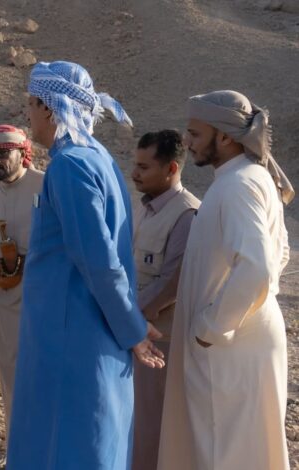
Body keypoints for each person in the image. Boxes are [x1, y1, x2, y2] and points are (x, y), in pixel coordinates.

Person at [7, 61, 164, 469]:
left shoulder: (71, 165)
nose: (27, 113)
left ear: (48, 108)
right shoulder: (97, 158)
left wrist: (132, 330)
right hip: (84, 330)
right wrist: (129, 322)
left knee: (68, 446)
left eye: (31, 104)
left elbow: (99, 261)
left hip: (72, 338)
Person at [158, 90, 292, 470]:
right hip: (242, 336)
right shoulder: (244, 178)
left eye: (195, 134)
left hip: (231, 345)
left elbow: (258, 267)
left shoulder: (239, 186)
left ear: (225, 136)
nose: (187, 142)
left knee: (225, 454)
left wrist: (213, 327)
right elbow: (280, 252)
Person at [129, 130, 199, 470]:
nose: (134, 173)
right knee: (134, 426)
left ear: (171, 168)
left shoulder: (187, 215)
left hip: (161, 341)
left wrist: (125, 317)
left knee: (153, 430)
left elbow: (171, 283)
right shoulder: (144, 209)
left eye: (144, 167)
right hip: (134, 332)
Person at [0, 124, 43, 444]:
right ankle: (19, 445)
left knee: (42, 369)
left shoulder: (45, 185)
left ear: (23, 154)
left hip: (42, 293)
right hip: (2, 296)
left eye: (3, 154)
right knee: (10, 372)